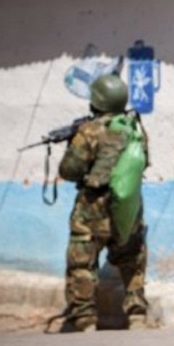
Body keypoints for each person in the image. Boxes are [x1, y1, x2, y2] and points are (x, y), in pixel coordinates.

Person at [56, 74, 149, 332]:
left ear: (96, 101)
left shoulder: (90, 131)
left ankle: (85, 319)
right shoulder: (135, 129)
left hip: (92, 208)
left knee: (82, 263)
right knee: (132, 260)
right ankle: (137, 315)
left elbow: (69, 170)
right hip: (128, 209)